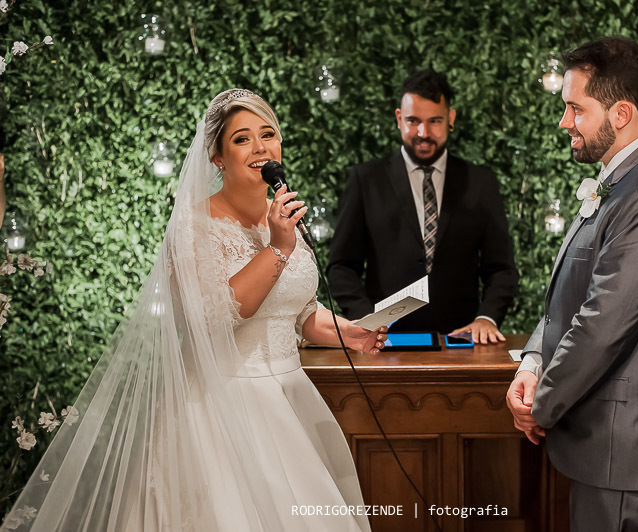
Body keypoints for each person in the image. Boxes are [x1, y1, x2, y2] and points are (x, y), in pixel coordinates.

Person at [1, 89, 386, 531]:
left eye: (269, 135)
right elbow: (218, 316)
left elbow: (299, 312)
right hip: (225, 404)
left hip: (292, 396)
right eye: (243, 139)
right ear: (218, 158)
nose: (261, 148)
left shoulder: (281, 218)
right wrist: (279, 248)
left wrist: (352, 334)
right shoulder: (192, 226)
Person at [506, 38, 638, 531]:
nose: (564, 122)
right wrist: (534, 360)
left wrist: (540, 406)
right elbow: (570, 296)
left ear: (620, 113)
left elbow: (602, 326)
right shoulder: (624, 181)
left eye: (576, 108)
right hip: (609, 441)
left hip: (627, 447)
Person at [327, 69, 518, 344]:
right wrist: (368, 320)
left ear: (450, 119)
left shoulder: (481, 182)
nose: (423, 132)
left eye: (434, 121)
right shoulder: (366, 180)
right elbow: (341, 266)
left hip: (461, 343)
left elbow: (501, 268)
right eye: (413, 120)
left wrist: (486, 318)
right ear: (398, 118)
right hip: (383, 344)